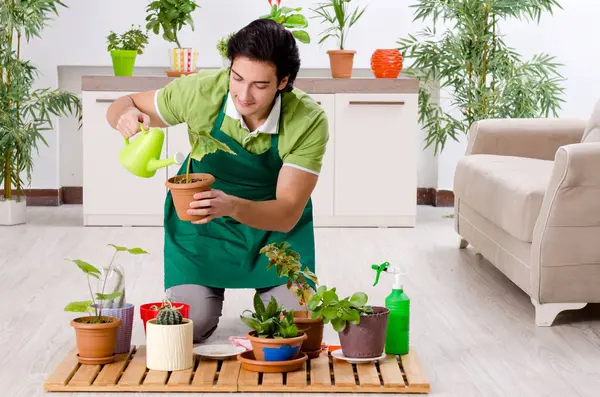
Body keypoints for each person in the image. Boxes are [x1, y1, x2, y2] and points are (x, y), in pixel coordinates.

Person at [106, 19, 328, 343]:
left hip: (273, 229)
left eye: (260, 85)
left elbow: (287, 212)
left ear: (283, 81)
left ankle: (271, 296)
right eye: (237, 78)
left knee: (291, 330)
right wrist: (125, 117)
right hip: (202, 225)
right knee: (187, 326)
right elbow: (123, 104)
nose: (244, 94)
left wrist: (231, 205)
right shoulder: (201, 92)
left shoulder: (307, 120)